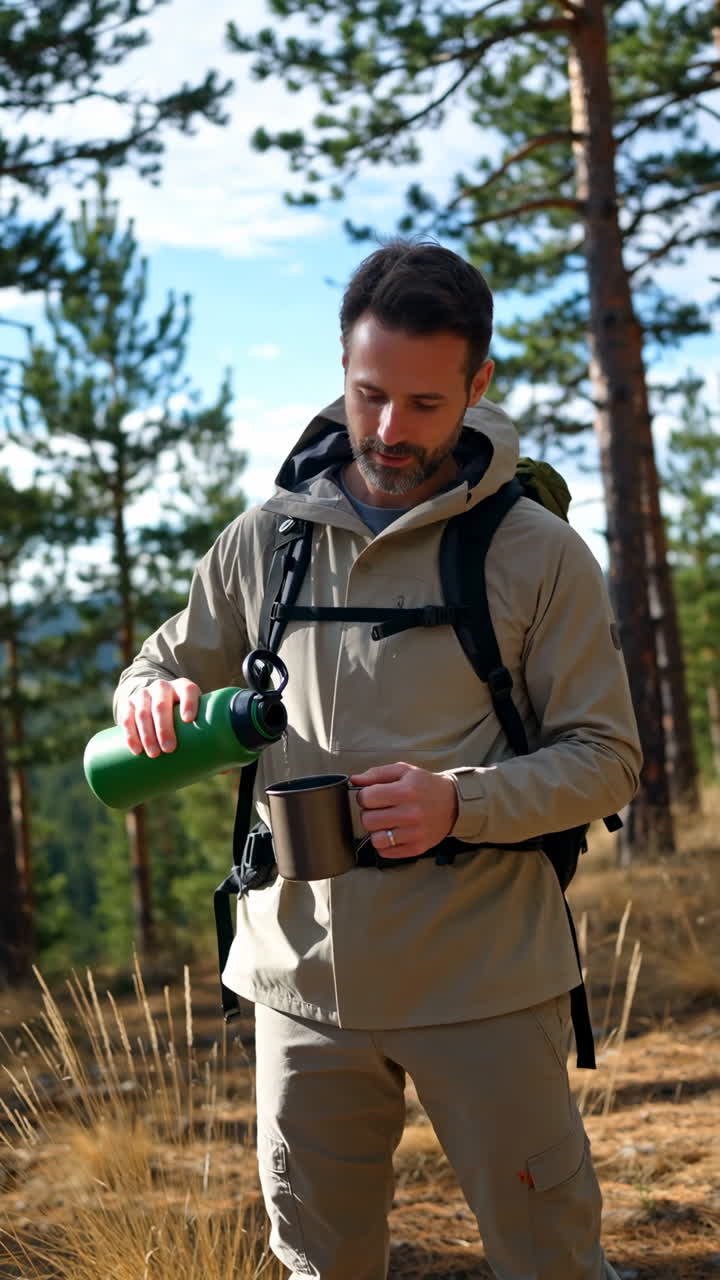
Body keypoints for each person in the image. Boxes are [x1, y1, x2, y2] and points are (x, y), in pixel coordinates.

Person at [115, 240, 642, 1280]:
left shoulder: (537, 553)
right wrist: (153, 695)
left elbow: (608, 756)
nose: (390, 431)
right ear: (343, 368)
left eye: (426, 404)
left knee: (550, 1258)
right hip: (297, 983)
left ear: (479, 385)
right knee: (319, 1261)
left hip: (484, 979)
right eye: (368, 395)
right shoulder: (265, 538)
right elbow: (159, 661)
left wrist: (463, 802)